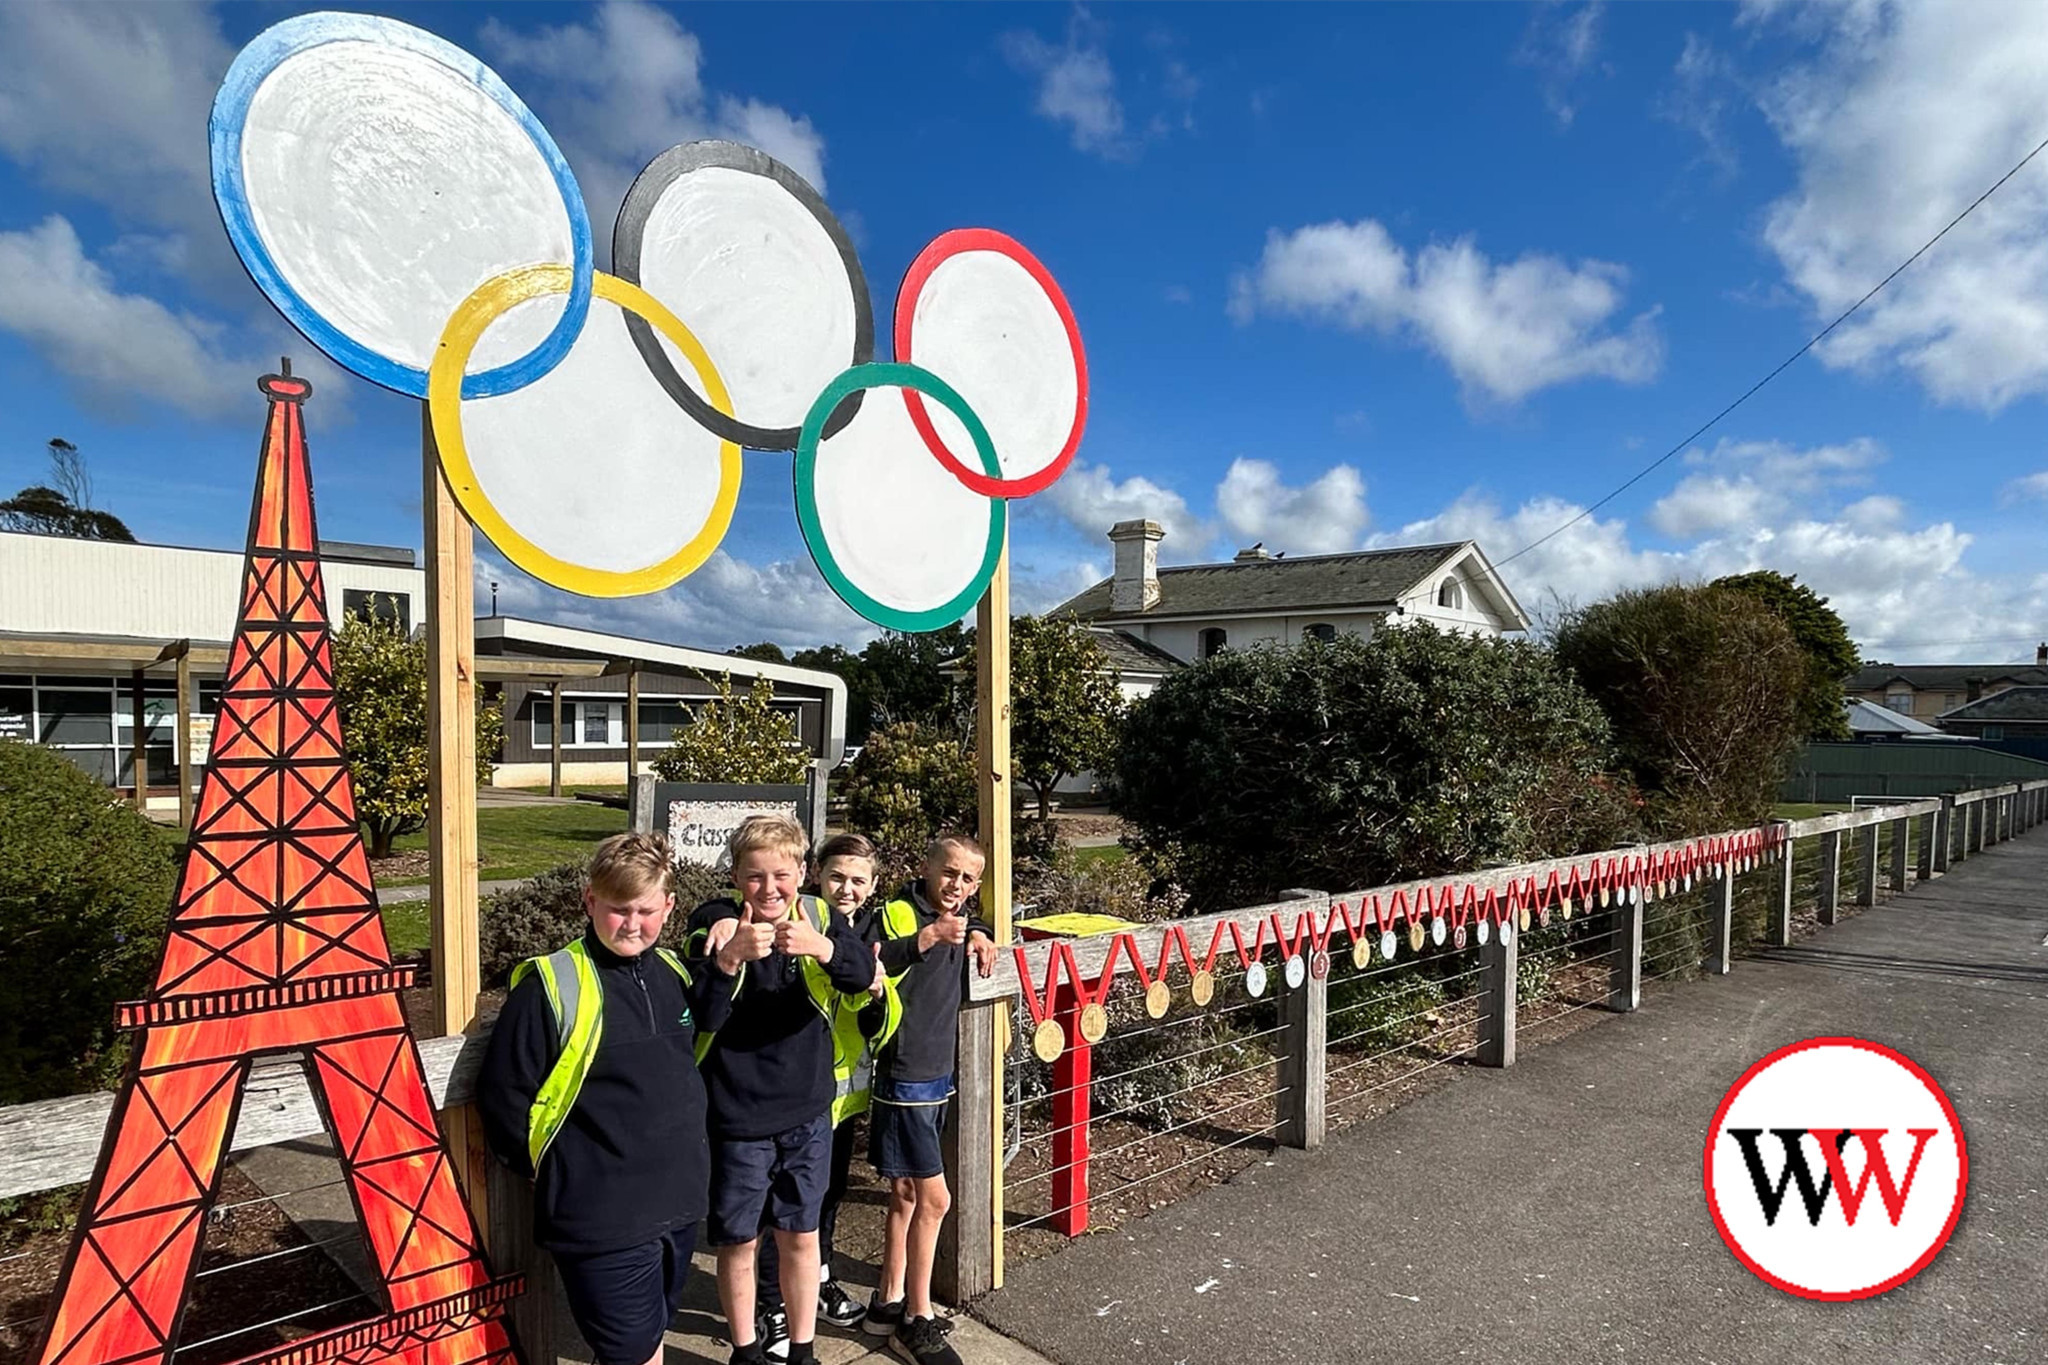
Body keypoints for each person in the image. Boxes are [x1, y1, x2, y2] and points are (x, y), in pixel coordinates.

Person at [476, 832, 736, 1365]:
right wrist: (552, 1170)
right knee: (634, 1350)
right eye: (619, 909)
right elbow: (504, 1097)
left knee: (649, 1337)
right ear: (590, 900)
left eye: (646, 910)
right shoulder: (550, 985)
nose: (633, 924)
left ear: (669, 906)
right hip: (600, 1212)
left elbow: (697, 1042)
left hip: (677, 1201)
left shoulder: (671, 972)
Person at [688, 815, 878, 1365]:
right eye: (753, 877)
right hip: (738, 1119)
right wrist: (727, 959)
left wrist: (822, 948)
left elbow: (863, 975)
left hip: (807, 1112)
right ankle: (745, 1351)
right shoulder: (719, 928)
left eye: (781, 875)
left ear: (803, 872)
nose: (769, 890)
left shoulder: (819, 917)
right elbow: (702, 1013)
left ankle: (802, 1351)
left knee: (800, 1235)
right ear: (735, 877)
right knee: (739, 1242)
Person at [753, 833, 901, 1360]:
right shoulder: (807, 917)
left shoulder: (880, 928)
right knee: (783, 1208)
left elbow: (904, 957)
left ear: (874, 886)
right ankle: (771, 1300)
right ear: (817, 875)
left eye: (859, 880)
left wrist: (973, 931)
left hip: (845, 1094)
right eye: (837, 876)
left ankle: (819, 1281)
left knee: (826, 1197)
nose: (847, 888)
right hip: (801, 1090)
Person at [862, 833, 997, 1365]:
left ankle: (888, 1302)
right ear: (926, 867)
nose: (956, 886)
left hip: (936, 1074)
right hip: (904, 1073)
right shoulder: (896, 913)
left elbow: (971, 918)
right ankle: (917, 1321)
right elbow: (871, 961)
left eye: (967, 879)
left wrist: (980, 933)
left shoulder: (964, 917)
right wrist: (929, 936)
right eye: (948, 873)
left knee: (908, 1195)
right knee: (935, 1199)